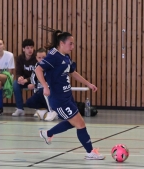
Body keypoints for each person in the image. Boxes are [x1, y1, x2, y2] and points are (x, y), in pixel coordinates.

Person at [35, 29, 105, 160]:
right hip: (58, 99)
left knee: (74, 122)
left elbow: (72, 72)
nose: (72, 46)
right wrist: (45, 86)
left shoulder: (65, 56)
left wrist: (88, 83)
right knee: (80, 124)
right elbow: (38, 69)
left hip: (68, 96)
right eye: (70, 44)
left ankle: (47, 133)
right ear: (62, 43)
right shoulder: (53, 56)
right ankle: (90, 152)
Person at [25, 48, 58, 121]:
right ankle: (43, 110)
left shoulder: (51, 66)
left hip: (50, 91)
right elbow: (33, 78)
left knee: (44, 92)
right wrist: (33, 85)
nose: (41, 59)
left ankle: (52, 110)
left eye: (44, 57)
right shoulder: (37, 66)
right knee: (29, 102)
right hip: (40, 91)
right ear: (36, 58)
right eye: (39, 58)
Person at [12, 39, 37, 116]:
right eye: (27, 48)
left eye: (31, 48)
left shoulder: (36, 57)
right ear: (23, 49)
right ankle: (20, 109)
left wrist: (28, 80)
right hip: (24, 81)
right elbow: (18, 72)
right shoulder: (20, 58)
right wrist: (19, 78)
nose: (30, 50)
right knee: (15, 84)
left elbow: (37, 74)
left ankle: (38, 109)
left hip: (35, 80)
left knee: (38, 86)